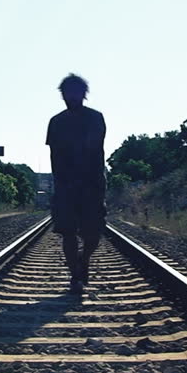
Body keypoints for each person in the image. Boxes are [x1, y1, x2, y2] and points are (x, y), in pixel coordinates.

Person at [45, 73, 107, 294]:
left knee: (93, 233)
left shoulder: (95, 118)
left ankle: (85, 259)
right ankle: (75, 276)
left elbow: (93, 148)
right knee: (68, 232)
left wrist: (93, 181)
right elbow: (54, 155)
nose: (70, 96)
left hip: (92, 184)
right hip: (66, 186)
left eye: (75, 92)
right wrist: (61, 182)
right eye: (66, 92)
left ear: (83, 93)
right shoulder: (56, 122)